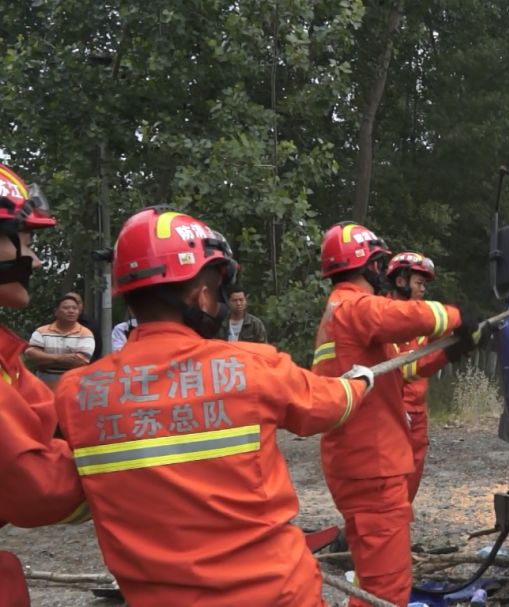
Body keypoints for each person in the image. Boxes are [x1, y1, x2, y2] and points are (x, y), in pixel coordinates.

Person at [52, 207, 375, 607]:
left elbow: (50, 494)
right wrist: (361, 381)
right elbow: (329, 405)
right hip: (278, 594)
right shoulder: (253, 365)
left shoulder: (76, 394)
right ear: (202, 295)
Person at [312, 222, 487, 606]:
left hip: (364, 461)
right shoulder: (353, 306)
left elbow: (403, 370)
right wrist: (456, 317)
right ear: (368, 264)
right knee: (387, 589)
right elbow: (398, 317)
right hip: (371, 465)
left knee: (375, 577)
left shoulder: (341, 314)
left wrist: (450, 351)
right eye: (378, 262)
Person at [0, 164, 88, 603]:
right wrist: (129, 469)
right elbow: (31, 482)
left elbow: (44, 415)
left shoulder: (5, 354)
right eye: (28, 243)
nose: (34, 260)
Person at [386, 251, 448, 501]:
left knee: (412, 477)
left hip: (417, 414)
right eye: (419, 283)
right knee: (390, 479)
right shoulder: (382, 315)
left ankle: (399, 530)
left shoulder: (423, 317)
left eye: (424, 285)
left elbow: (446, 336)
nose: (423, 289)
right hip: (391, 412)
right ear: (401, 281)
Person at [24, 294, 95, 389]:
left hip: (75, 384)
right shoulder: (41, 331)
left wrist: (46, 358)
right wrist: (58, 358)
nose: (71, 311)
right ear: (56, 312)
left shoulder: (85, 333)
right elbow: (31, 353)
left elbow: (81, 360)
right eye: (66, 308)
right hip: (44, 384)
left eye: (74, 308)